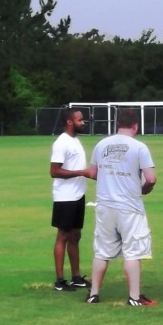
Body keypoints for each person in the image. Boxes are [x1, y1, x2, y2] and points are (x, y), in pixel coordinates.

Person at [85, 108, 158, 307]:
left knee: (102, 251)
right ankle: (134, 297)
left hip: (105, 205)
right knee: (133, 252)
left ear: (117, 124)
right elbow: (151, 178)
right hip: (129, 206)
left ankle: (93, 294)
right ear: (136, 125)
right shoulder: (139, 147)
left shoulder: (101, 144)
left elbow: (92, 173)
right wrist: (144, 188)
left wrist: (111, 177)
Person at [50, 108, 94, 292]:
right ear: (70, 122)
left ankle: (76, 277)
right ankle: (60, 281)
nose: (83, 122)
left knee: (75, 236)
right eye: (80, 120)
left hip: (78, 196)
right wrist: (81, 172)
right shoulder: (62, 143)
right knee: (63, 236)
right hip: (65, 197)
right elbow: (54, 171)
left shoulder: (75, 141)